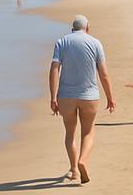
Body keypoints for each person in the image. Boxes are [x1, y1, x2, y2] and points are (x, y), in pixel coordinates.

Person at [49, 15, 116, 183]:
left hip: (66, 96)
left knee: (70, 132)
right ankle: (82, 160)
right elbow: (104, 74)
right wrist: (110, 97)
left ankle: (73, 170)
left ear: (72, 29)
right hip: (90, 96)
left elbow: (54, 70)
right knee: (88, 131)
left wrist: (53, 97)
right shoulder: (95, 43)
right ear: (88, 28)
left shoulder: (62, 42)